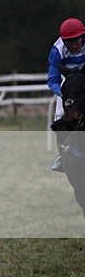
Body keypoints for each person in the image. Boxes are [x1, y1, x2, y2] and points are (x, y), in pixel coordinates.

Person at [48, 17, 85, 171]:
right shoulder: (57, 50)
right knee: (60, 115)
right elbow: (53, 80)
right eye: (70, 42)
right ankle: (62, 156)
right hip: (68, 83)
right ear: (64, 41)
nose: (75, 45)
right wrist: (65, 96)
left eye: (78, 40)